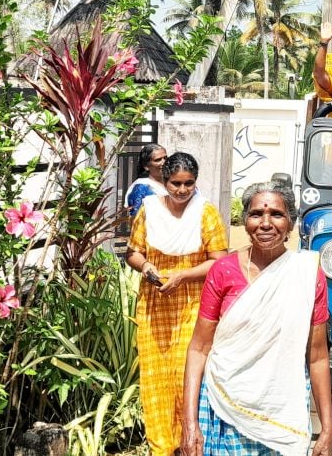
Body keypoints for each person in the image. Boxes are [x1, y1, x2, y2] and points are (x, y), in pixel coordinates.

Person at [181, 181, 332, 456]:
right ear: (245, 221)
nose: (265, 223)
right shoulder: (223, 270)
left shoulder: (307, 274)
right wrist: (189, 422)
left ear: (290, 223)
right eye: (256, 214)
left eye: (276, 214)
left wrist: (327, 426)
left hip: (281, 412)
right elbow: (199, 348)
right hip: (223, 406)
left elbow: (317, 357)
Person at [125, 152, 228, 456]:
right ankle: (161, 447)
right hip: (155, 304)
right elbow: (133, 252)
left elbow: (219, 260)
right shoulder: (149, 209)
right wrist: (147, 268)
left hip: (193, 304)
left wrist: (183, 275)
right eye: (175, 184)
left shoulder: (205, 212)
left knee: (187, 371)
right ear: (165, 181)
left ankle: (189, 444)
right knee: (156, 377)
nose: (182, 190)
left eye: (188, 183)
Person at [125, 143, 168, 216]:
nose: (164, 162)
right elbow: (135, 217)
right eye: (158, 160)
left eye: (165, 158)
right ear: (146, 166)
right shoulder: (141, 187)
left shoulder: (173, 183)